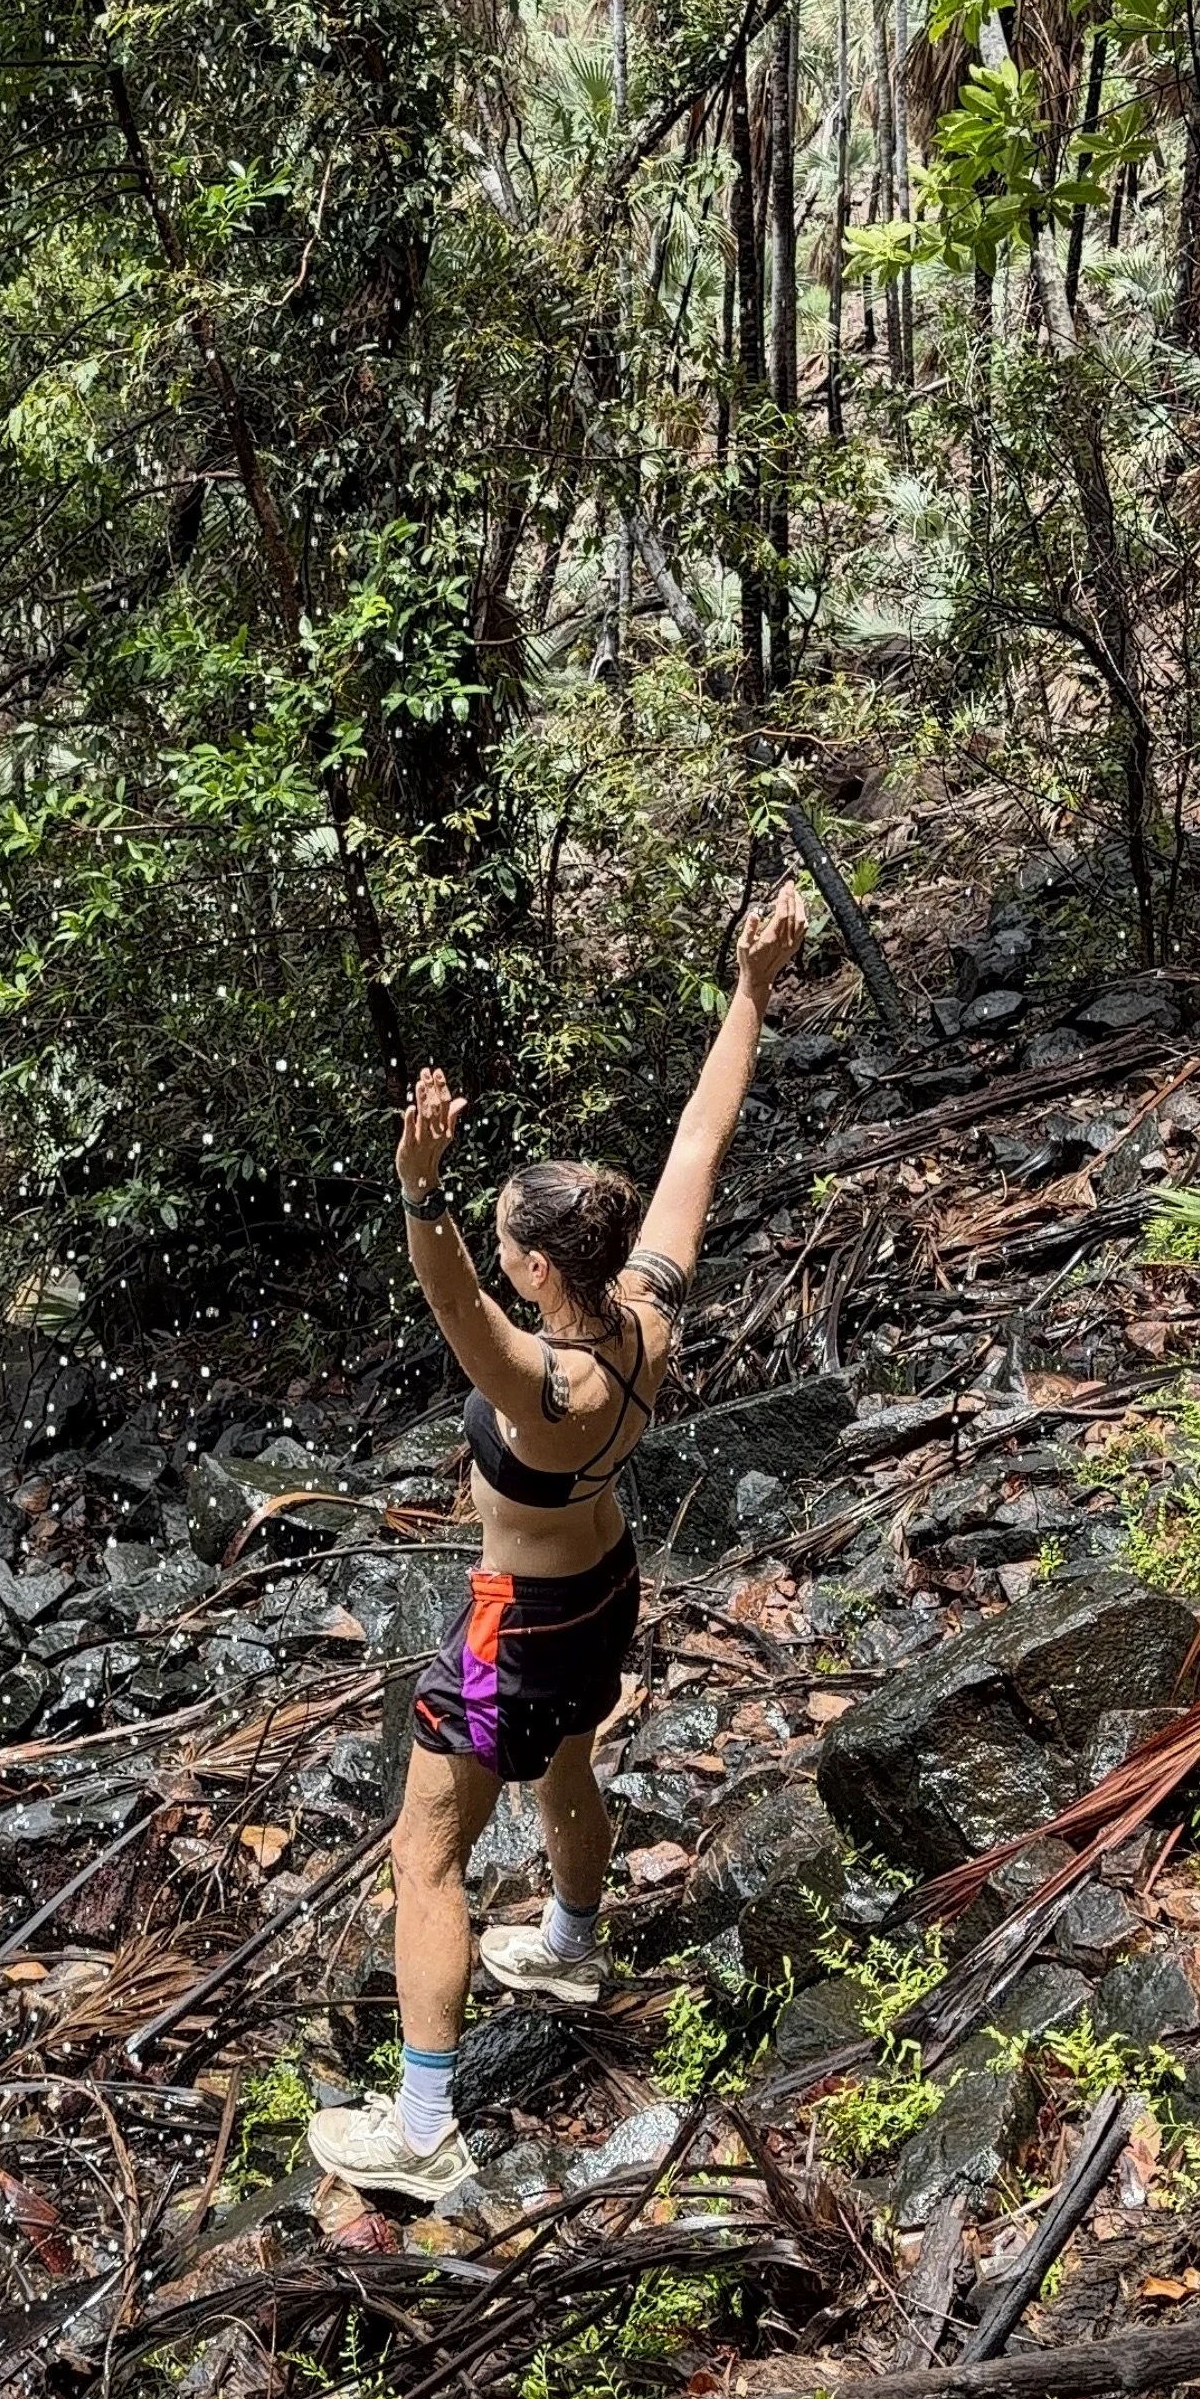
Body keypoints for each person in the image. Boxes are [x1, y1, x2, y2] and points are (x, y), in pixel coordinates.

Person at [307, 878, 810, 2203]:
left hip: (511, 1628)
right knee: (571, 1757)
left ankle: (422, 2129)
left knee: (427, 1854)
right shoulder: (647, 1315)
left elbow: (449, 1293)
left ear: (538, 1269)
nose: (503, 1260)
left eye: (512, 1248)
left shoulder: (544, 1382)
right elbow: (700, 1142)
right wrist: (749, 989)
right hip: (603, 1590)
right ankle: (573, 1939)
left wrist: (420, 1187)